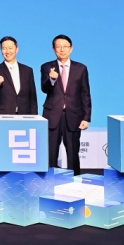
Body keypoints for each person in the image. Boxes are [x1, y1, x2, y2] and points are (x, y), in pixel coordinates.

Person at [40, 34, 92, 176]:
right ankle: (49, 180)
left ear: (71, 49)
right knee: (50, 152)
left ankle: (75, 180)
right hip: (52, 116)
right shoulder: (47, 67)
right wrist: (51, 79)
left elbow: (85, 94)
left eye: (65, 46)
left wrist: (86, 117)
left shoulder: (81, 68)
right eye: (58, 46)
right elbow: (44, 89)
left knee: (73, 152)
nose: (62, 49)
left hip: (74, 116)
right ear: (53, 49)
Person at [0, 36, 38, 115]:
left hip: (24, 114)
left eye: (10, 48)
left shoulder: (28, 70)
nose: (7, 51)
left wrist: (34, 117)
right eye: (4, 48)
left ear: (17, 49)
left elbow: (32, 97)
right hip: (2, 114)